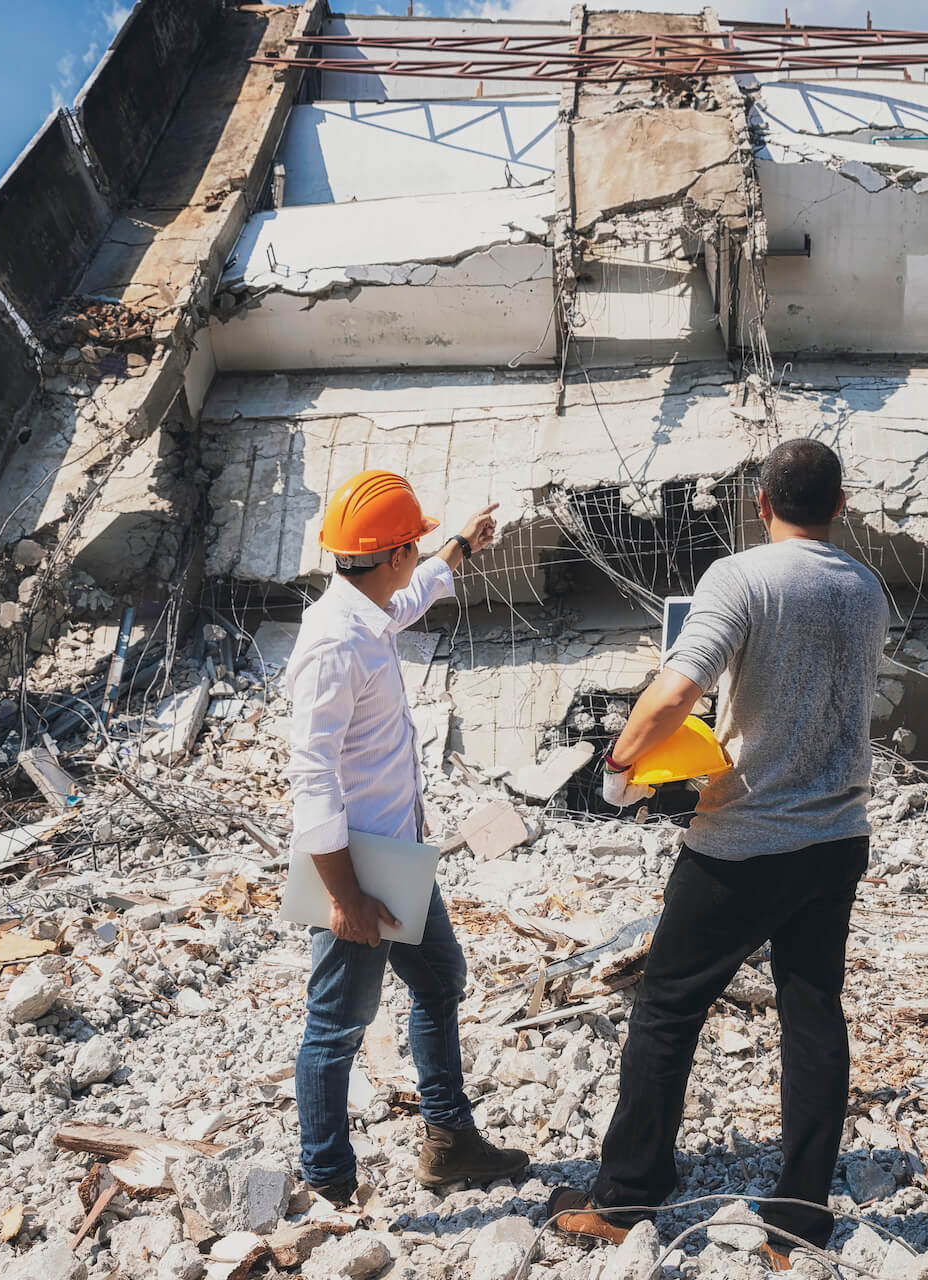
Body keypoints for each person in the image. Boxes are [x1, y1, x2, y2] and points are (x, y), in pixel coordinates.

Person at [549, 439, 890, 1267]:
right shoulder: (869, 589)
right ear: (839, 507)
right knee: (813, 1018)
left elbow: (677, 688)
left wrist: (620, 768)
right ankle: (798, 1222)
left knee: (668, 1007)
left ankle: (625, 1194)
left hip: (742, 840)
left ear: (761, 505)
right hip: (837, 838)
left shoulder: (740, 578)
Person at [287, 469, 529, 1204]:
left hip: (400, 859)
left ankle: (450, 1141)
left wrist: (457, 546)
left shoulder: (364, 612)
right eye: (413, 546)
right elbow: (311, 779)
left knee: (437, 979)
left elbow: (411, 597)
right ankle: (327, 1184)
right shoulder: (336, 644)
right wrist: (344, 896)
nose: (415, 560)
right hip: (359, 871)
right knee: (336, 1027)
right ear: (388, 554)